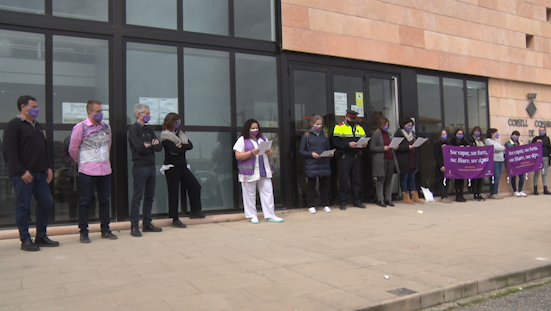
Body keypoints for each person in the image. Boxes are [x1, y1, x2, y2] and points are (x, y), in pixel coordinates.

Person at [3, 95, 60, 251]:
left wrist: (48, 167)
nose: (36, 109)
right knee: (23, 206)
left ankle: (41, 236)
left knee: (47, 202)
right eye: (33, 106)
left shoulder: (36, 125)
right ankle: (25, 240)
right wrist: (21, 172)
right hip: (23, 175)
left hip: (41, 173)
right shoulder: (14, 125)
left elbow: (44, 147)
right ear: (23, 107)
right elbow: (9, 151)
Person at [69, 100, 117, 243]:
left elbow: (108, 145)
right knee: (85, 201)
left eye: (101, 111)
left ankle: (106, 229)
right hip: (87, 170)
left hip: (105, 170)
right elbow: (73, 149)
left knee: (104, 200)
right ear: (90, 113)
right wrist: (84, 162)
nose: (101, 114)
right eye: (98, 111)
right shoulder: (80, 127)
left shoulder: (106, 127)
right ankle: (84, 232)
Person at [161, 113, 206, 228]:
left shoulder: (181, 134)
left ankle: (195, 211)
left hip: (182, 166)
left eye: (179, 121)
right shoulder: (165, 136)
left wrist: (181, 146)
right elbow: (174, 150)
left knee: (195, 186)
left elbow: (190, 146)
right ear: (170, 122)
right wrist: (181, 147)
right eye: (176, 121)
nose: (178, 123)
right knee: (174, 192)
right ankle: (175, 218)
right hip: (171, 167)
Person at [233, 119, 283, 223]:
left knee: (268, 192)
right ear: (248, 129)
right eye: (252, 128)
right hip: (248, 173)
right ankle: (252, 216)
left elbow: (270, 154)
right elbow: (238, 155)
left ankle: (270, 215)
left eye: (256, 128)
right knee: (250, 194)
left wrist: (269, 151)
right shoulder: (242, 140)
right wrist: (251, 152)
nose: (255, 130)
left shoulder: (263, 138)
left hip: (263, 170)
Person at [128, 103, 163, 237]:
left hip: (151, 166)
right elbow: (139, 147)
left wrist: (149, 145)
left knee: (150, 196)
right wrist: (149, 145)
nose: (149, 115)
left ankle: (147, 224)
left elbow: (159, 147)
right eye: (147, 113)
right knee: (138, 197)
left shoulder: (149, 130)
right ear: (139, 114)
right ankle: (134, 226)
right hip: (140, 167)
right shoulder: (133, 129)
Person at [332, 109, 368, 210]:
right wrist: (348, 144)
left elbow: (363, 137)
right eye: (351, 118)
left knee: (356, 180)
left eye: (354, 118)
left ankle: (356, 201)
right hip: (345, 156)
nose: (353, 120)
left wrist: (364, 144)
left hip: (356, 156)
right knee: (343, 180)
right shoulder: (339, 127)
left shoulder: (359, 128)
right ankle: (342, 202)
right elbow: (336, 141)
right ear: (346, 117)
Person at [299, 115, 333, 214]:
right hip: (312, 164)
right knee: (311, 185)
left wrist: (330, 153)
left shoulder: (325, 135)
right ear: (312, 124)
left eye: (320, 124)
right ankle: (311, 205)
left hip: (324, 163)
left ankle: (325, 204)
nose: (319, 126)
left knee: (324, 185)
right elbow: (301, 151)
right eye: (317, 124)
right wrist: (311, 154)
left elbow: (328, 148)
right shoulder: (306, 135)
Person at [370, 117, 399, 207]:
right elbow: (372, 147)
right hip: (381, 159)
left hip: (390, 158)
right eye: (385, 125)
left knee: (388, 180)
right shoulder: (376, 134)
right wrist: (383, 148)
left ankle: (388, 199)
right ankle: (380, 199)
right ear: (380, 124)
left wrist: (394, 147)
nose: (386, 127)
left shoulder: (389, 134)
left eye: (387, 125)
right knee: (380, 180)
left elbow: (391, 145)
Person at [394, 118, 424, 204]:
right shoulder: (399, 134)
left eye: (411, 125)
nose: (410, 127)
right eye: (408, 125)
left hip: (413, 158)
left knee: (412, 178)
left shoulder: (413, 134)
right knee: (404, 178)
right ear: (403, 125)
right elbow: (396, 147)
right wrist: (407, 147)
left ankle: (414, 196)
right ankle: (405, 196)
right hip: (404, 159)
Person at [505, 131, 527, 197]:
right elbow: (511, 151)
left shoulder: (520, 143)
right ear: (511, 136)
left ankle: (520, 190)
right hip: (512, 163)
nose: (516, 137)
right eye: (515, 135)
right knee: (513, 177)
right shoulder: (508, 144)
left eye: (517, 135)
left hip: (520, 162)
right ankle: (515, 191)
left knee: (522, 176)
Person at [484, 128, 505, 199]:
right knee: (495, 177)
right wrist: (503, 148)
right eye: (496, 133)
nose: (497, 134)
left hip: (500, 160)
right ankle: (493, 193)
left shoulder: (496, 142)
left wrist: (502, 148)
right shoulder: (488, 140)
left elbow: (500, 148)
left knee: (498, 177)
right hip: (494, 160)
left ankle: (496, 192)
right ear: (492, 134)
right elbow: (495, 148)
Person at [450, 128, 469, 202]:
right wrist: (458, 148)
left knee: (462, 179)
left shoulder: (464, 141)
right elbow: (450, 149)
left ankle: (461, 194)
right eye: (459, 134)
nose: (460, 135)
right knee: (457, 179)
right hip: (455, 162)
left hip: (463, 163)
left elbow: (470, 147)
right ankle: (457, 195)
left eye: (461, 134)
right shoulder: (452, 141)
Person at [433, 129, 452, 203]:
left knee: (447, 181)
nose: (445, 135)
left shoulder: (448, 143)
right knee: (441, 181)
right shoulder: (437, 144)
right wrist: (441, 166)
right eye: (443, 134)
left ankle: (446, 196)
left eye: (445, 134)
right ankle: (443, 196)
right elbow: (436, 156)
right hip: (440, 165)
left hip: (448, 165)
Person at [531, 127, 551, 195]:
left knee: (545, 174)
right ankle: (535, 189)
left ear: (545, 131)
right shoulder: (536, 138)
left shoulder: (547, 138)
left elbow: (549, 148)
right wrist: (536, 143)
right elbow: (531, 146)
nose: (541, 132)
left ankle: (545, 189)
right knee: (537, 173)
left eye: (542, 130)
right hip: (538, 158)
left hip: (546, 156)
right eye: (540, 130)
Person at [468, 126, 485, 201]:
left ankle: (479, 193)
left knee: (480, 179)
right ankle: (475, 194)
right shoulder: (470, 140)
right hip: (474, 162)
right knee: (475, 179)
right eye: (476, 131)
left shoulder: (482, 141)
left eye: (478, 131)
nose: (477, 133)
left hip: (481, 162)